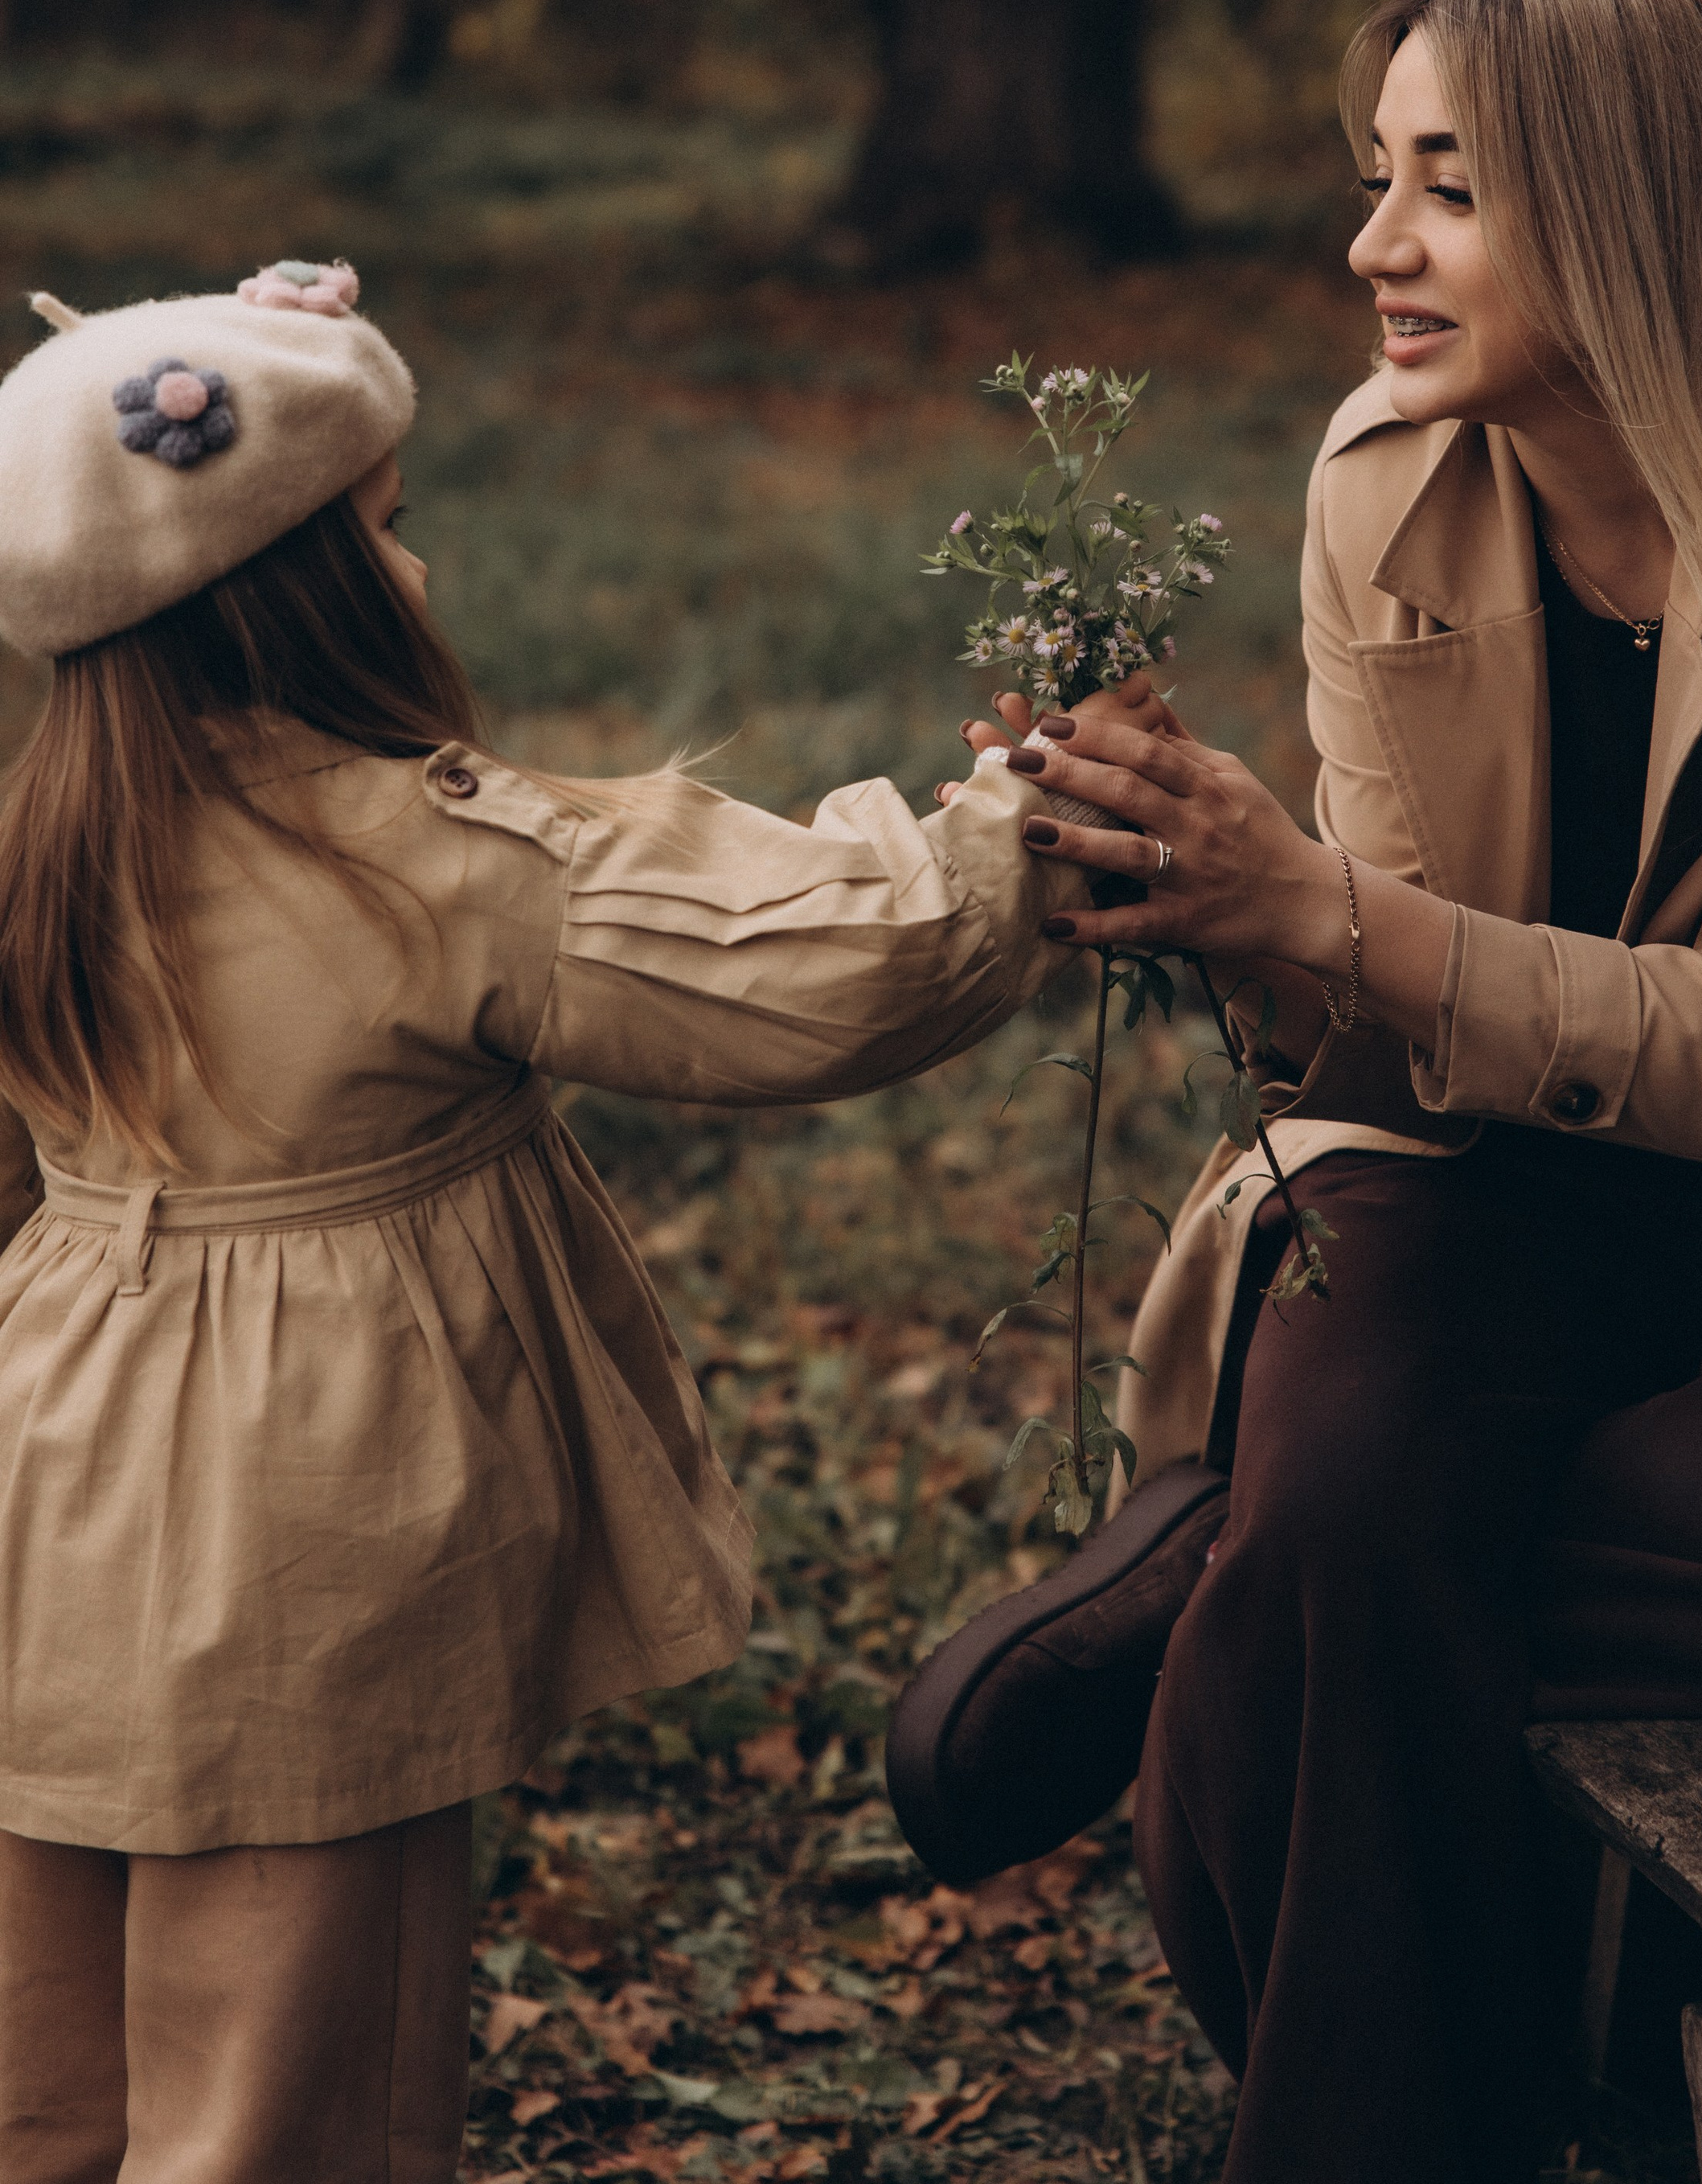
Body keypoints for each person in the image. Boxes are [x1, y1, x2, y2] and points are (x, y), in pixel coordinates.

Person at [904, 0, 1702, 2182]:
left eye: (1442, 184)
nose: (1372, 246)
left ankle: (1226, 1577)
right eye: (1374, 172)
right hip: (1515, 1154)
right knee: (1361, 1475)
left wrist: (1325, 898)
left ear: (1623, 204)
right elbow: (1395, 1031)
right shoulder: (1390, 476)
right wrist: (1199, 898)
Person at [0, 263, 1085, 2184]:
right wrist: (1013, 822)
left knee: (46, 2024)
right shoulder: (428, 854)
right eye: (388, 537)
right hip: (297, 1533)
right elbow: (806, 968)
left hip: (42, 1469)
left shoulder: (38, 841)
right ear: (305, 593)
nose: (418, 579)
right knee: (284, 2064)